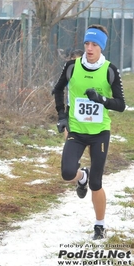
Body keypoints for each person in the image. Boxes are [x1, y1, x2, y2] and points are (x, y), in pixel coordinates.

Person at [53, 24, 125, 240]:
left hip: (100, 132)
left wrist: (101, 99)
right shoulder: (72, 67)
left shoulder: (110, 70)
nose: (90, 48)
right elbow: (58, 90)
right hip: (77, 130)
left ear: (101, 47)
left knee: (96, 182)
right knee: (67, 173)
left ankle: (99, 226)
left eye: (94, 44)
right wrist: (62, 117)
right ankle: (80, 176)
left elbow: (121, 104)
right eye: (87, 43)